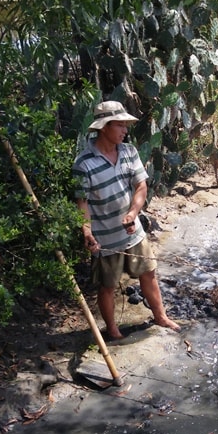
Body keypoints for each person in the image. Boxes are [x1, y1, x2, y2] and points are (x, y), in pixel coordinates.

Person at [74, 100, 181, 340]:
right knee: (108, 285)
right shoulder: (84, 164)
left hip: (133, 231)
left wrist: (133, 213)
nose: (125, 130)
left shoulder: (129, 151)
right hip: (105, 238)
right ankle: (112, 330)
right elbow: (83, 202)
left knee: (149, 272)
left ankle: (160, 316)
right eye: (120, 125)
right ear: (104, 127)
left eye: (125, 125)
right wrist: (87, 232)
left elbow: (141, 185)